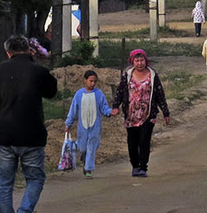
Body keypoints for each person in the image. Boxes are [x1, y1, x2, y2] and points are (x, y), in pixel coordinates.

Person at [0, 34, 59, 213]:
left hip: (6, 136)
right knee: (35, 178)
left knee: (5, 185)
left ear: (8, 52)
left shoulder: (0, 70)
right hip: (32, 136)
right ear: (29, 50)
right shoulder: (38, 71)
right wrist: (40, 65)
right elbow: (51, 92)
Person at [114, 49, 171, 177]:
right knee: (132, 142)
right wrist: (115, 106)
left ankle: (143, 167)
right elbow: (120, 92)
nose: (139, 63)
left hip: (148, 115)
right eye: (137, 60)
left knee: (144, 140)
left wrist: (166, 113)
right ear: (132, 61)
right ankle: (135, 166)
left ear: (146, 61)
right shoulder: (127, 76)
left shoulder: (152, 75)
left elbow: (160, 94)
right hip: (131, 115)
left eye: (142, 60)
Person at [64, 70, 117, 178]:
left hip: (95, 126)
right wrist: (68, 124)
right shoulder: (79, 94)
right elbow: (73, 110)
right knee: (83, 147)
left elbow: (104, 107)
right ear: (85, 80)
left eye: (94, 81)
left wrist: (110, 112)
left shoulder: (99, 94)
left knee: (92, 147)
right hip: (82, 127)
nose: (92, 84)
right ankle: (84, 159)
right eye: (91, 81)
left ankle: (88, 169)